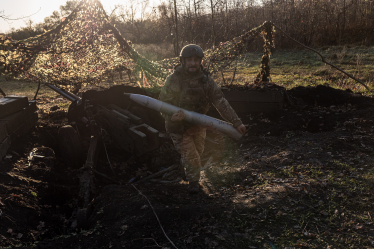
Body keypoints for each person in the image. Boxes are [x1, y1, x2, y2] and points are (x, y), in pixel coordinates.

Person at [159, 44, 246, 194]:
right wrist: (171, 117)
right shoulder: (173, 80)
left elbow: (220, 102)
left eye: (196, 60)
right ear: (183, 61)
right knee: (191, 156)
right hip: (178, 126)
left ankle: (185, 169)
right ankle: (193, 184)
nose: (193, 63)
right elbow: (162, 104)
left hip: (198, 124)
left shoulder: (206, 81)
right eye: (189, 60)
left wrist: (237, 122)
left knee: (197, 152)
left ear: (200, 61)